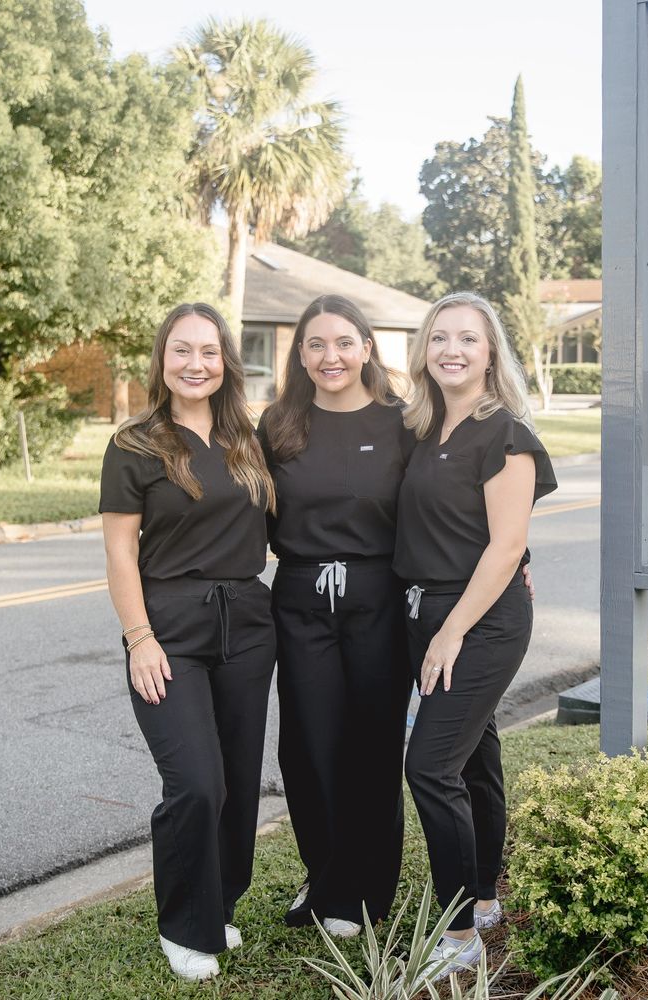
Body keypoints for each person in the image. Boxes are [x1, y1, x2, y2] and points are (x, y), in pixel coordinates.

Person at [99, 302, 277, 982]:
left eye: (208, 351)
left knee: (237, 781)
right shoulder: (136, 444)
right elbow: (121, 554)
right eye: (182, 350)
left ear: (225, 361)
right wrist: (139, 638)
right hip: (169, 626)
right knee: (196, 782)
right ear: (162, 360)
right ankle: (182, 924)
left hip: (248, 624)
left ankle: (219, 903)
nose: (195, 363)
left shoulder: (247, 439)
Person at [394, 292, 557, 974]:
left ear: (491, 353)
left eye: (467, 338)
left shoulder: (505, 435)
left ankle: (459, 937)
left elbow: (506, 545)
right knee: (474, 756)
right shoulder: (421, 428)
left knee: (430, 767)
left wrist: (452, 631)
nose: (451, 350)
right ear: (423, 351)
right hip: (424, 613)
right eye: (439, 337)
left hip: (479, 622)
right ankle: (485, 897)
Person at [257, 294, 415, 938]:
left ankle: (365, 889)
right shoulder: (278, 424)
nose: (332, 356)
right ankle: (325, 876)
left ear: (366, 348)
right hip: (300, 599)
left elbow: (445, 501)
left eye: (345, 342)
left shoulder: (402, 421)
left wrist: (519, 557)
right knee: (309, 748)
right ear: (300, 354)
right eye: (317, 344)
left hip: (379, 596)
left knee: (373, 747)